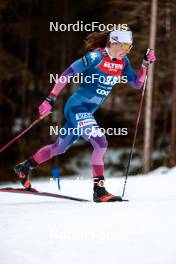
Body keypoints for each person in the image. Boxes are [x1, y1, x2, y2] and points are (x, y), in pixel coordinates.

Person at [14, 30, 156, 202]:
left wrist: (145, 64)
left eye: (130, 47)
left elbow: (137, 83)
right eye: (125, 46)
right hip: (76, 107)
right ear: (113, 43)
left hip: (86, 112)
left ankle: (25, 167)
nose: (127, 50)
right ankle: (99, 190)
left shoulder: (123, 62)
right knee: (100, 142)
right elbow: (67, 74)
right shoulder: (95, 57)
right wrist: (51, 98)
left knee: (59, 148)